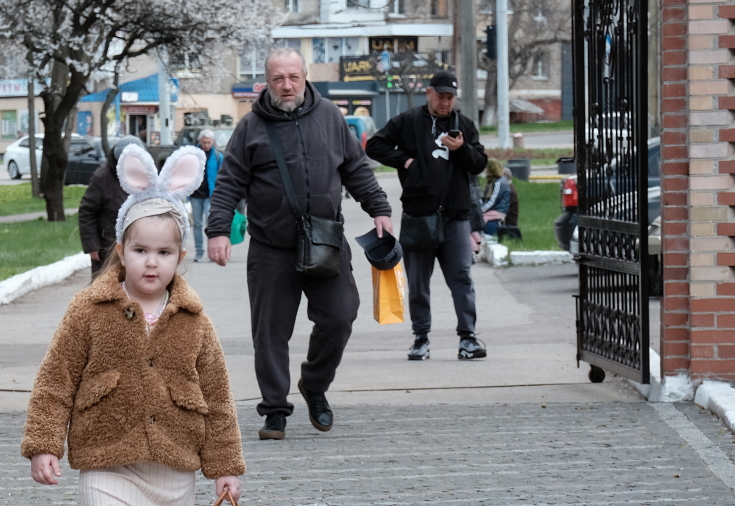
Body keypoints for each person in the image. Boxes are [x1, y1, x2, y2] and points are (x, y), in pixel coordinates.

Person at [23, 144, 244, 506]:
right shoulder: (88, 310)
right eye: (140, 250)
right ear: (120, 250)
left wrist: (224, 467)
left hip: (171, 461)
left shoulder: (194, 321)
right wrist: (45, 443)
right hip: (107, 459)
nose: (151, 262)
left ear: (180, 257)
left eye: (164, 252)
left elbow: (217, 396)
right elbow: (55, 379)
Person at [205, 49, 393, 441]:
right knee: (270, 332)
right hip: (271, 248)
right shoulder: (251, 126)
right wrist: (218, 230)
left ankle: (314, 384)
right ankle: (275, 410)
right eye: (278, 79)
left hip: (326, 239)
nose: (286, 85)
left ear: (305, 77)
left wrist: (379, 208)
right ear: (266, 83)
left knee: (341, 315)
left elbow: (356, 168)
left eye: (293, 77)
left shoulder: (329, 116)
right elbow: (229, 183)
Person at [365, 70, 489, 362]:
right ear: (429, 93)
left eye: (450, 98)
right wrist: (404, 160)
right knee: (419, 282)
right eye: (440, 96)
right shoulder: (408, 122)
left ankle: (468, 338)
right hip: (419, 216)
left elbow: (479, 164)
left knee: (461, 278)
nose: (445, 103)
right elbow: (374, 145)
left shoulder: (464, 125)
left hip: (456, 218)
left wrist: (462, 150)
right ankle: (421, 339)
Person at [77, 135, 143, 276]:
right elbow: (87, 212)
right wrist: (92, 246)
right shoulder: (102, 177)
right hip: (107, 248)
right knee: (106, 290)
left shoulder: (145, 177)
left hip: (139, 247)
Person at [189, 129, 221, 262]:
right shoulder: (192, 155)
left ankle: (211, 252)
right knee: (197, 224)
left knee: (210, 223)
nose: (207, 145)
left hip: (210, 195)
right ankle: (199, 252)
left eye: (209, 142)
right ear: (199, 141)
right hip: (195, 195)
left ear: (212, 142)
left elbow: (223, 175)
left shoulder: (218, 157)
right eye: (204, 142)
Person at [480, 157, 513, 237]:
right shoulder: (492, 181)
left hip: (497, 212)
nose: (484, 171)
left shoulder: (499, 183)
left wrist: (480, 210)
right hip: (492, 210)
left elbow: (492, 201)